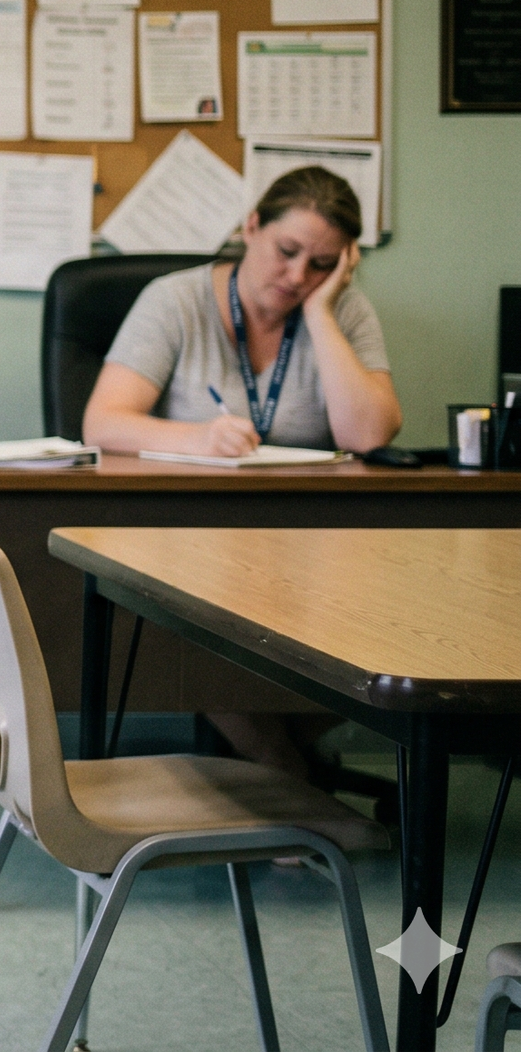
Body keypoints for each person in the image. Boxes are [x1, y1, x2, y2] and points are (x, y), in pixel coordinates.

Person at [84, 165, 401, 776]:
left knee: (386, 617)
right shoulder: (176, 300)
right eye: (287, 251)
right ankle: (285, 771)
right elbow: (102, 422)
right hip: (195, 539)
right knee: (190, 619)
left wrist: (322, 314)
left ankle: (274, 768)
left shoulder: (343, 311)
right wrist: (197, 438)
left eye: (322, 264)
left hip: (313, 544)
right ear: (252, 226)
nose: (297, 276)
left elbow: (367, 434)